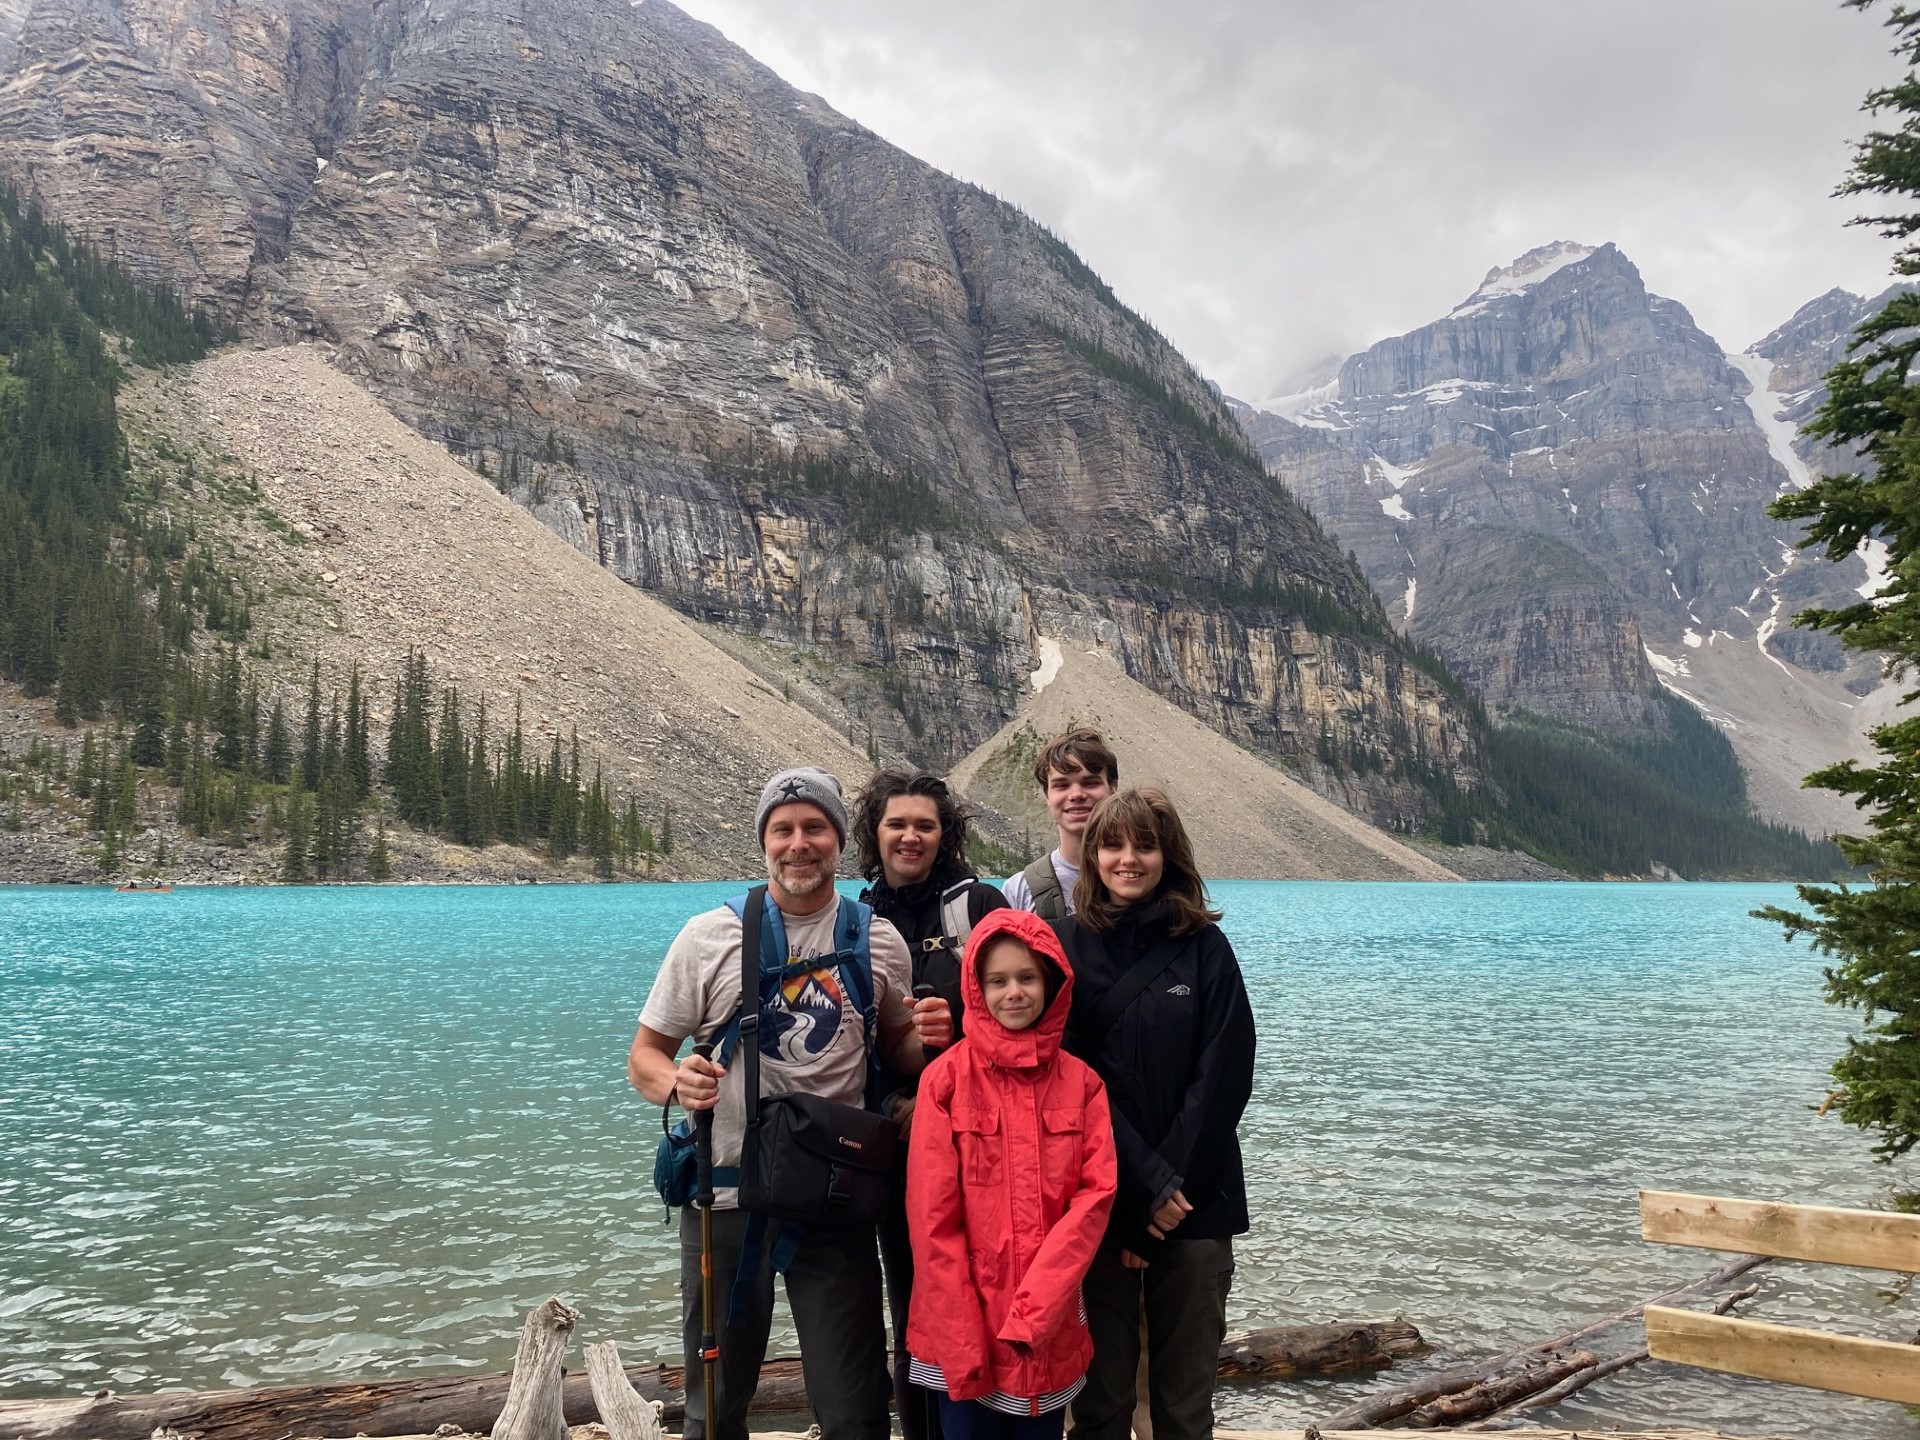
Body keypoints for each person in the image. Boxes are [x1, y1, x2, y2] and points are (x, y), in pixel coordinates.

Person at [627, 767, 956, 1440]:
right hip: (725, 1195)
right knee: (713, 1408)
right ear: (764, 842)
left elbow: (896, 1054)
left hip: (831, 1199)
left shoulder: (879, 939)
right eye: (783, 830)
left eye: (815, 829)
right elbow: (645, 1057)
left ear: (838, 840)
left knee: (854, 1410)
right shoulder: (705, 938)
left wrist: (929, 1044)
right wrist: (676, 1084)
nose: (798, 844)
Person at [1055, 788, 1255, 1440]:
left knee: (1185, 1407)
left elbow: (1224, 1078)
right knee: (1102, 1401)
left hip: (1198, 1206)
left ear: (1169, 854)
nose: (1128, 859)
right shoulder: (1065, 949)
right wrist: (1146, 1189)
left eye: (1145, 844)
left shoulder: (1206, 948)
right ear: (1093, 856)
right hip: (1101, 1205)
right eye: (1112, 845)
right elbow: (1071, 1082)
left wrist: (1171, 1188)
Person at [906, 907, 1118, 1440]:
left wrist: (1037, 1311)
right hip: (963, 1322)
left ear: (1052, 982)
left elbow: (1094, 1201)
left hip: (1047, 1326)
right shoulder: (944, 1081)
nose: (1014, 993)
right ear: (975, 989)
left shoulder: (1083, 1084)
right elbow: (932, 1219)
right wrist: (960, 1333)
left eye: (1027, 978)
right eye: (997, 981)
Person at [852, 768, 1011, 1440]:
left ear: (945, 835)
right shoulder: (852, 921)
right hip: (897, 1148)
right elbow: (842, 1048)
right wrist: (893, 1104)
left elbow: (1024, 1020)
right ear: (875, 834)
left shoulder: (981, 908)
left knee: (989, 1299)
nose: (911, 836)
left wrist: (964, 1041)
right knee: (913, 1305)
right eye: (897, 824)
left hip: (980, 1149)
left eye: (925, 824)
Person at [999, 728, 1117, 921]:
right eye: (1062, 785)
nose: (1076, 794)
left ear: (1113, 789)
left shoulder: (1139, 877)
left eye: (1090, 783)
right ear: (1047, 796)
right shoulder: (1019, 891)